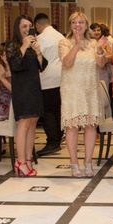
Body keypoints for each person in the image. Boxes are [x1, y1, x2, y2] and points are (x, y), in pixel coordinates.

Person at [59, 12, 108, 178]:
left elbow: (101, 65)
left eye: (81, 22)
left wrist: (100, 50)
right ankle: (74, 163)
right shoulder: (64, 42)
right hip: (71, 90)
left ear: (86, 25)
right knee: (72, 126)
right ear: (70, 25)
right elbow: (66, 63)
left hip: (90, 90)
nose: (77, 25)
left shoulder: (93, 43)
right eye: (74, 22)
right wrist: (76, 45)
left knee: (90, 126)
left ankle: (88, 162)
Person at [6, 15, 47, 177]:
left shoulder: (32, 46)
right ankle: (20, 161)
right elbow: (15, 65)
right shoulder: (12, 45)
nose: (27, 29)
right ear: (17, 28)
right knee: (23, 124)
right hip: (22, 90)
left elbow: (43, 66)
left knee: (32, 123)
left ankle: (29, 159)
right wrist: (23, 46)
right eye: (24, 26)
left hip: (34, 88)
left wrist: (38, 52)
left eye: (29, 26)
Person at [34, 13, 64, 156]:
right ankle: (57, 139)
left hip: (47, 78)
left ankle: (52, 142)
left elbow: (37, 60)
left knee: (48, 113)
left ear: (38, 25)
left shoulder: (39, 39)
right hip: (62, 78)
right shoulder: (61, 37)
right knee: (58, 111)